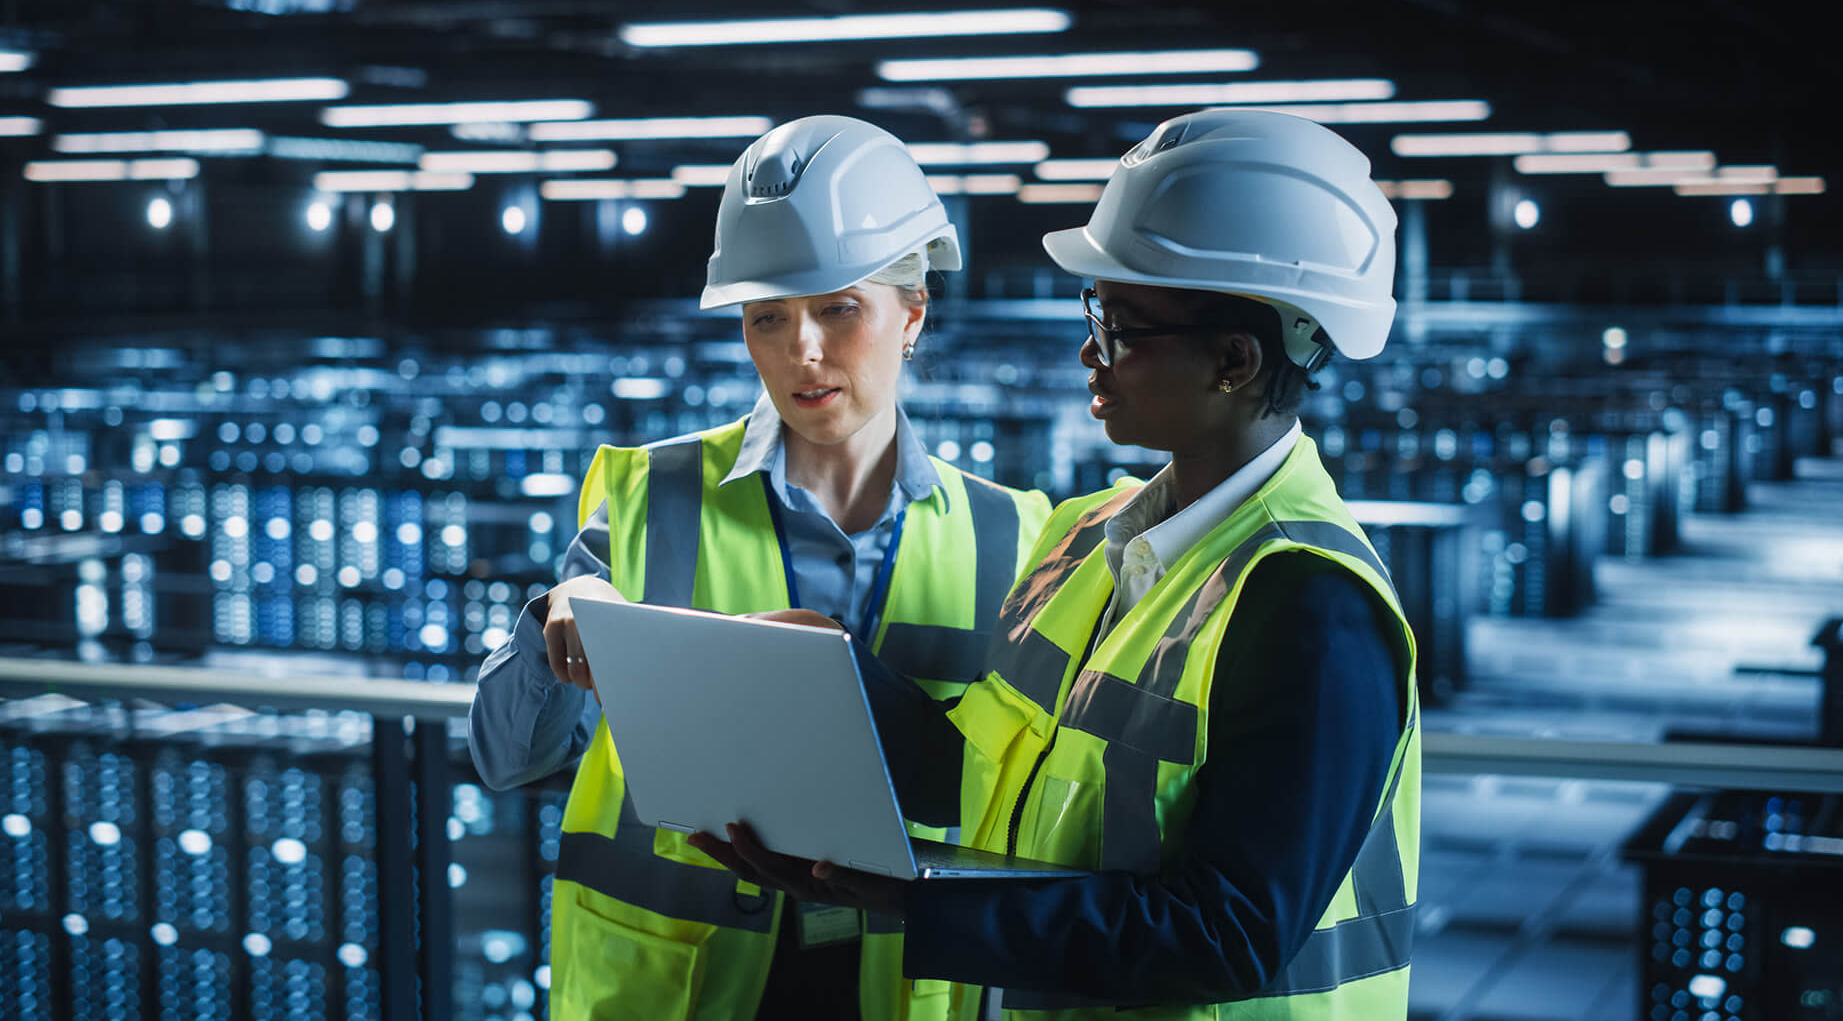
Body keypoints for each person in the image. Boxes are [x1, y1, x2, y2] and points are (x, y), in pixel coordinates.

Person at [691, 109, 1422, 1019]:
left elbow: (1229, 934)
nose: (1091, 350)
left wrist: (910, 904)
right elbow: (982, 770)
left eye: (1121, 325)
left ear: (1234, 359)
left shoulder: (1312, 604)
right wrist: (832, 673)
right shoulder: (1085, 535)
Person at [468, 114, 1053, 1021]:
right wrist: (563, 609)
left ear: (914, 314)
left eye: (838, 309)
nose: (801, 352)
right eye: (767, 318)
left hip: (903, 989)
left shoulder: (1016, 538)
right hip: (675, 989)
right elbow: (507, 758)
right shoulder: (650, 501)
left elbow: (1028, 807)